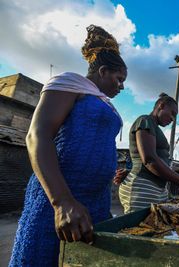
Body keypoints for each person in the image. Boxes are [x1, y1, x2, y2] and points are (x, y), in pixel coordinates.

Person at [9, 25, 127, 266]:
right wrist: (61, 201)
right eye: (119, 79)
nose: (121, 86)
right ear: (103, 72)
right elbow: (37, 136)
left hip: (95, 205)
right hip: (60, 201)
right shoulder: (68, 83)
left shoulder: (102, 102)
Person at [115, 93, 179, 213]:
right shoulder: (145, 120)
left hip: (153, 188)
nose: (173, 119)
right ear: (161, 105)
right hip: (142, 187)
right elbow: (149, 159)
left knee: (155, 227)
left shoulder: (154, 127)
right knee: (139, 230)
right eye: (172, 114)